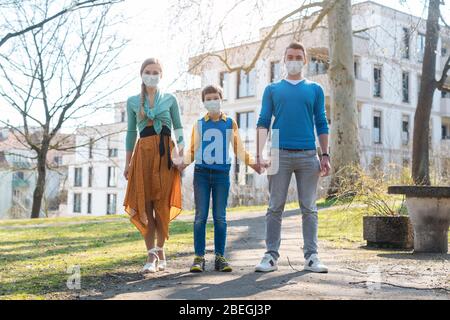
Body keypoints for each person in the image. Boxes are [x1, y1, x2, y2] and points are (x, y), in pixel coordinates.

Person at [254, 42, 331, 273]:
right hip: (279, 153)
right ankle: (270, 256)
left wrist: (325, 154)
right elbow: (263, 121)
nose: (294, 60)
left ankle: (311, 256)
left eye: (299, 56)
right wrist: (258, 154)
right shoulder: (272, 89)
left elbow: (321, 121)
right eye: (290, 56)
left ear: (305, 60)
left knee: (309, 208)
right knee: (274, 207)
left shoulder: (315, 89)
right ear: (284, 60)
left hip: (309, 155)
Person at [179, 85, 262, 273]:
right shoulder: (199, 124)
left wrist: (253, 164)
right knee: (200, 217)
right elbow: (192, 150)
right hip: (201, 174)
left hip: (221, 175)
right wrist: (181, 164)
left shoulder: (230, 123)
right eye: (208, 99)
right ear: (204, 102)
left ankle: (220, 257)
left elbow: (239, 149)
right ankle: (199, 258)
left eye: (215, 97)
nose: (212, 101)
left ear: (221, 99)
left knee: (220, 217)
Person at [123, 58, 184, 273]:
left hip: (166, 153)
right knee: (145, 204)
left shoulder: (170, 99)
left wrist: (181, 156)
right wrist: (127, 163)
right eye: (148, 71)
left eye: (156, 71)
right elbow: (131, 133)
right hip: (143, 154)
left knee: (162, 205)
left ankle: (160, 248)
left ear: (161, 75)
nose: (152, 75)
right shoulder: (132, 101)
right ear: (141, 73)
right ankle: (151, 256)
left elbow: (178, 128)